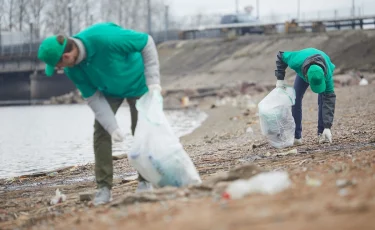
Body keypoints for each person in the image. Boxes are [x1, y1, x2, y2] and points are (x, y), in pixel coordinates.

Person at [37, 22, 161, 206]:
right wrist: (112, 127)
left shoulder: (105, 38)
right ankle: (104, 188)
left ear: (67, 55)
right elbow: (94, 98)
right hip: (109, 90)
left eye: (58, 65)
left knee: (141, 130)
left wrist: (153, 81)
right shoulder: (73, 69)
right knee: (101, 131)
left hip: (138, 82)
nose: (59, 69)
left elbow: (146, 42)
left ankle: (145, 181)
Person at [274, 47, 336, 145]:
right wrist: (280, 79)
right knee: (295, 98)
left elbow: (329, 100)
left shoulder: (327, 74)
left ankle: (322, 133)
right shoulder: (295, 61)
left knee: (324, 99)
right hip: (304, 65)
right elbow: (281, 56)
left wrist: (327, 127)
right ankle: (296, 136)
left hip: (321, 66)